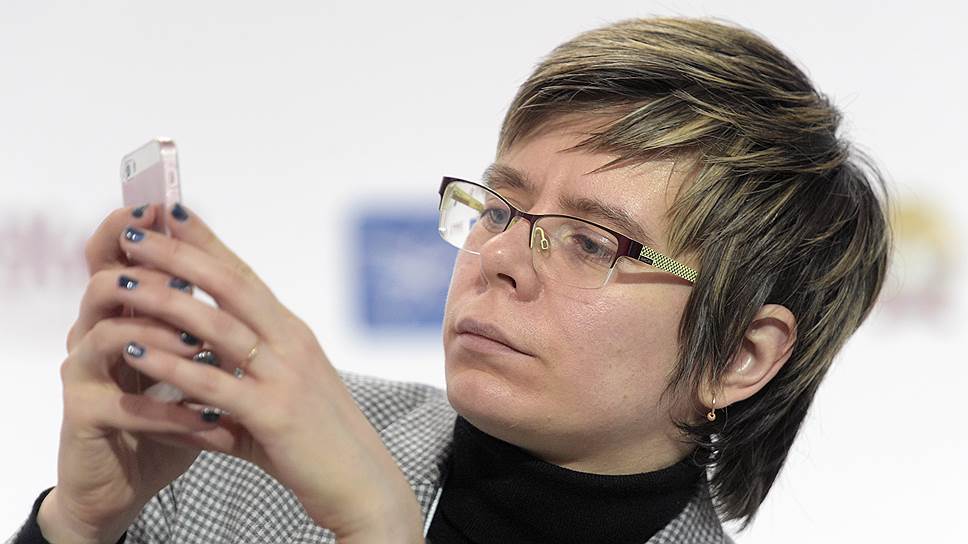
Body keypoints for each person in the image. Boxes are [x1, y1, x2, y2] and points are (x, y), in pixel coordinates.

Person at [6, 16, 890, 544]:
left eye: (591, 243)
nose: (499, 257)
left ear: (738, 356)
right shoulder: (241, 442)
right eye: (500, 208)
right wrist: (76, 526)